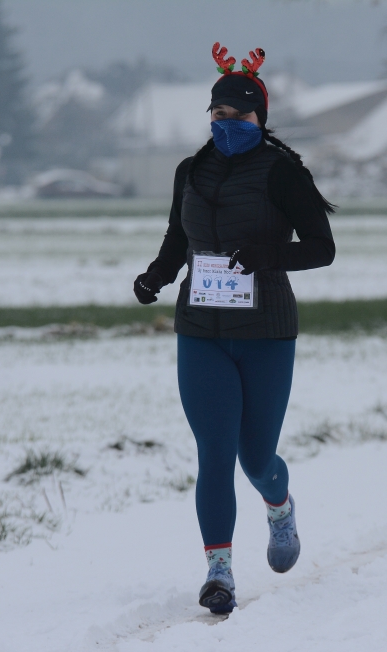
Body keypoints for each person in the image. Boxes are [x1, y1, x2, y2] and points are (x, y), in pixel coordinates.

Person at [132, 43, 336, 614]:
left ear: (260, 118)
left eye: (239, 115)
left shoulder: (284, 173)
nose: (227, 124)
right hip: (201, 330)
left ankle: (280, 506)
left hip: (266, 332)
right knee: (215, 453)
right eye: (218, 114)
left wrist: (266, 255)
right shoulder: (191, 171)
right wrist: (156, 276)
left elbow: (321, 248)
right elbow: (179, 239)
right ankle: (218, 572)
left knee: (256, 458)